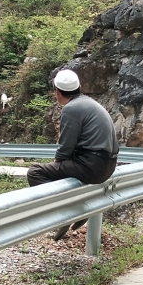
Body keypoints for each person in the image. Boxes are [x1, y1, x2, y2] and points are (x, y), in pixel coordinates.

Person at [27, 69, 119, 240]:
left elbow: (66, 146)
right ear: (79, 87)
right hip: (108, 165)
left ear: (56, 91)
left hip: (91, 165)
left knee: (35, 172)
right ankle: (78, 207)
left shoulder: (71, 108)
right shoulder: (90, 103)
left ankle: (65, 213)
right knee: (62, 172)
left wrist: (57, 162)